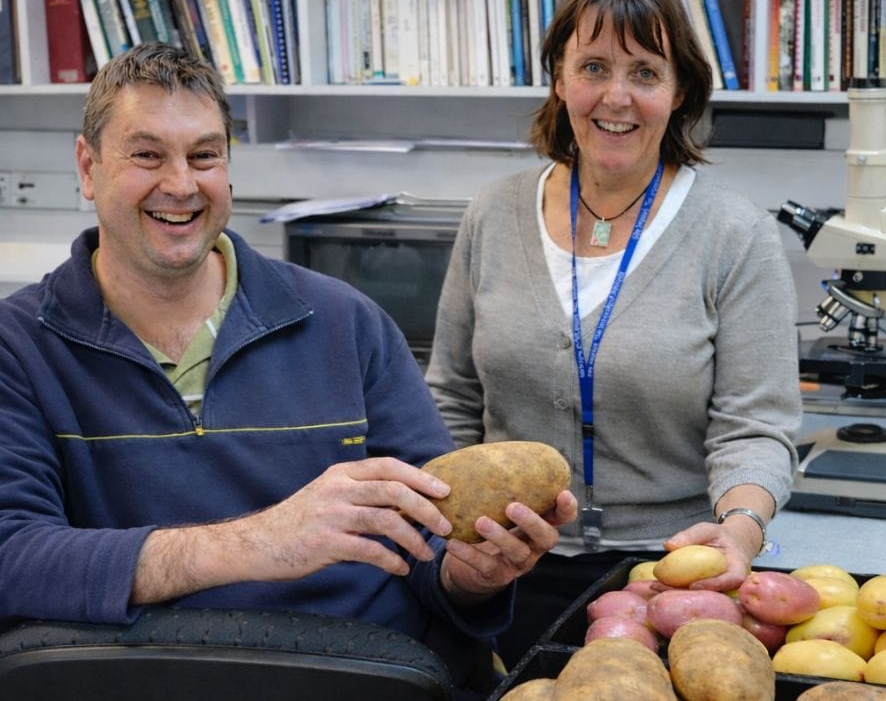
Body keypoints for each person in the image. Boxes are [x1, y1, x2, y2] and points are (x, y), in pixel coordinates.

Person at [0, 43, 576, 691]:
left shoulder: (347, 323)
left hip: (355, 677)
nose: (182, 184)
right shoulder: (17, 346)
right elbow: (12, 556)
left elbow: (428, 543)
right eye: (146, 154)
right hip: (135, 682)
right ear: (87, 166)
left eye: (204, 154)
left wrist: (469, 577)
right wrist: (261, 542)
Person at [425, 0, 803, 668]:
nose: (616, 97)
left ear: (681, 89)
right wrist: (450, 539)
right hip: (497, 565)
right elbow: (450, 397)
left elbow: (757, 424)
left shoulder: (735, 234)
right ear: (560, 79)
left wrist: (740, 531)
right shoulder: (494, 213)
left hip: (670, 575)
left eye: (645, 72)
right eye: (594, 66)